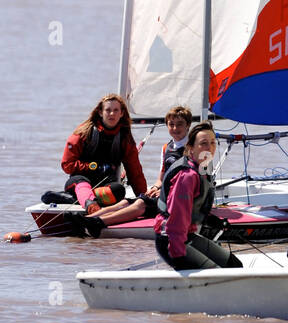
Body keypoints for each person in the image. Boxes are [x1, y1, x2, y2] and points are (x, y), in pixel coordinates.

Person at [58, 94, 158, 238]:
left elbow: (134, 171)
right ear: (100, 112)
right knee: (82, 181)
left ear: (122, 113)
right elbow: (67, 165)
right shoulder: (83, 132)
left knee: (119, 190)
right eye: (108, 110)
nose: (112, 114)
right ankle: (91, 209)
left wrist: (142, 198)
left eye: (116, 110)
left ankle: (73, 200)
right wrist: (93, 167)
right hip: (78, 182)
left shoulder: (124, 137)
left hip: (105, 187)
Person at [154, 121, 242, 271]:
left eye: (213, 142)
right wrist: (179, 255)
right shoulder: (187, 176)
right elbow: (176, 221)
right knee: (216, 275)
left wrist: (211, 220)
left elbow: (195, 207)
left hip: (186, 235)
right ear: (191, 148)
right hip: (171, 239)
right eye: (203, 143)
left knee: (234, 266)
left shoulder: (202, 169)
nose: (210, 148)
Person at [159, 105, 193, 182]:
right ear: (167, 126)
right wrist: (155, 188)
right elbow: (160, 180)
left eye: (179, 124)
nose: (175, 128)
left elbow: (204, 174)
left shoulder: (196, 147)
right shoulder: (165, 148)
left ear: (188, 125)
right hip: (169, 190)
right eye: (171, 124)